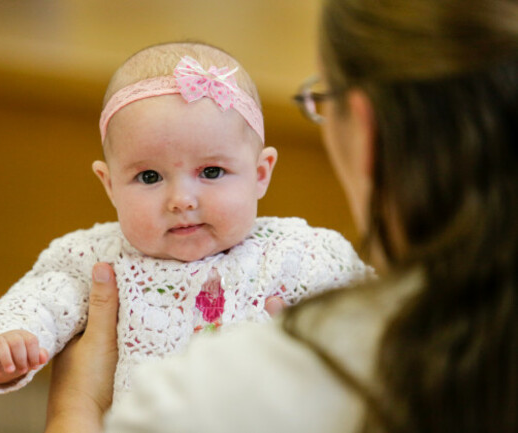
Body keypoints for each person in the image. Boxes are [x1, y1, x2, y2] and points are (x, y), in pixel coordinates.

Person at [43, 0, 518, 432]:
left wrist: (75, 405)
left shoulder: (199, 401)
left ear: (368, 132)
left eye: (321, 101)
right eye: (150, 177)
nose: (182, 200)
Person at [0, 42, 371, 398]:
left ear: (260, 174)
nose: (181, 200)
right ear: (109, 185)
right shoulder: (97, 260)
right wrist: (10, 340)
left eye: (211, 172)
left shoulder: (303, 254)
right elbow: (39, 301)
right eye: (149, 177)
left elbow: (384, 321)